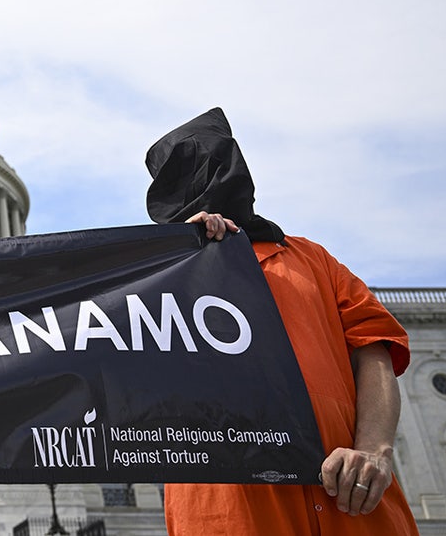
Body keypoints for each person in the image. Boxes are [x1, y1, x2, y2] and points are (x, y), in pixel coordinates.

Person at [146, 108, 418, 535]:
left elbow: (374, 348)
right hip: (232, 509)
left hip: (352, 496)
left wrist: (375, 451)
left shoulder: (313, 259)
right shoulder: (157, 275)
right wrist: (185, 260)